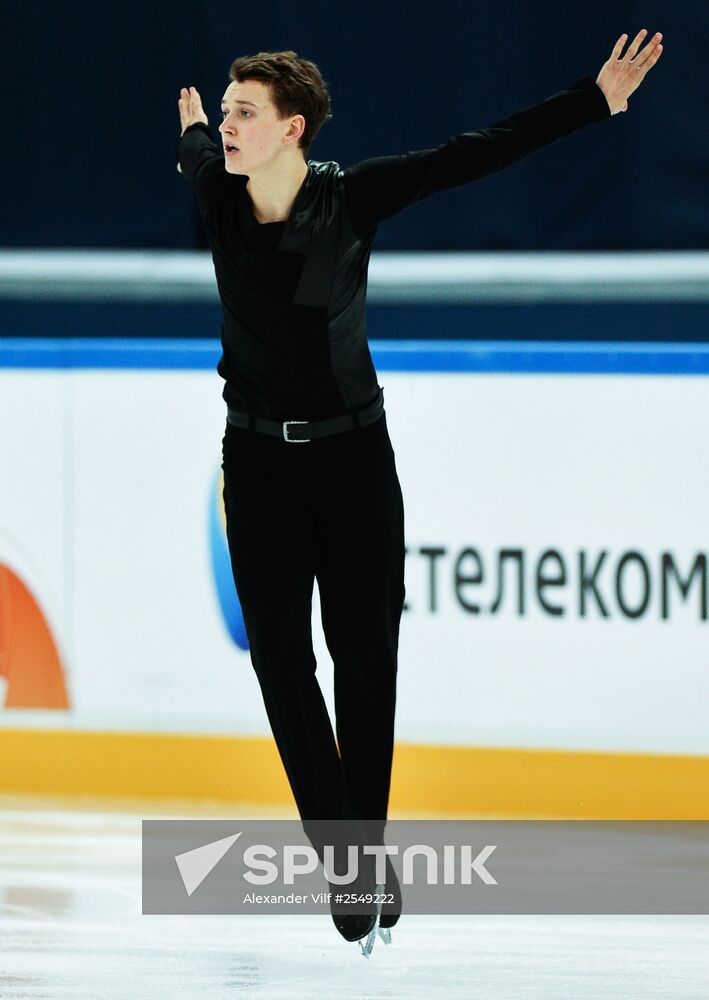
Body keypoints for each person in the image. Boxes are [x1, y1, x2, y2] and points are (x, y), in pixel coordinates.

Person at [176, 32, 663, 953]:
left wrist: (592, 100)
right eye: (230, 112)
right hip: (260, 468)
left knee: (366, 668)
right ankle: (345, 863)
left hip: (356, 465)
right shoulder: (216, 190)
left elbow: (472, 154)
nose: (230, 128)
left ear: (294, 130)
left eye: (248, 114)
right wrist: (196, 127)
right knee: (281, 662)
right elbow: (195, 147)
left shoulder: (350, 197)